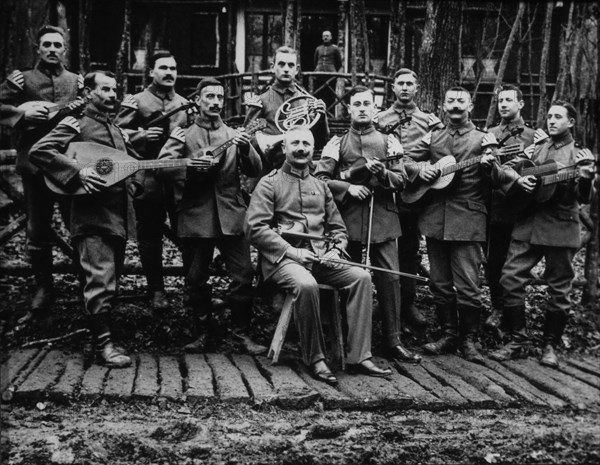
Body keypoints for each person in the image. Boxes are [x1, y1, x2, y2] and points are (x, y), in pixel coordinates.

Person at [245, 125, 392, 385]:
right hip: (283, 261)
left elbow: (338, 228)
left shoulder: (320, 186)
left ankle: (360, 355)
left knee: (361, 277)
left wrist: (336, 249)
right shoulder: (269, 183)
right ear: (284, 148)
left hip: (320, 258)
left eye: (306, 144)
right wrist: (292, 251)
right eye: (295, 144)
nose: (301, 148)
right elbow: (254, 228)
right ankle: (315, 358)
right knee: (305, 283)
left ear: (313, 150)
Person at [29, 71, 140, 368]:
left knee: (110, 280)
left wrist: (135, 183)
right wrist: (77, 172)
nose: (112, 95)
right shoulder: (75, 123)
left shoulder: (114, 127)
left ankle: (100, 339)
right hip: (90, 217)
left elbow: (124, 166)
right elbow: (40, 150)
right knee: (99, 281)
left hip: (117, 217)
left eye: (115, 90)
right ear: (88, 92)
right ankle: (104, 345)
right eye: (105, 89)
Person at [315, 86, 421, 364]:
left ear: (375, 108)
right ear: (348, 109)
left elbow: (402, 180)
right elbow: (321, 180)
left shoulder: (390, 141)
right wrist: (347, 188)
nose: (362, 108)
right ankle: (342, 338)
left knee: (390, 279)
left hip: (384, 221)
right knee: (347, 279)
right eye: (357, 104)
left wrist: (384, 172)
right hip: (346, 223)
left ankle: (393, 340)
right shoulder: (336, 143)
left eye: (367, 104)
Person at [158, 78, 265, 355]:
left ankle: (241, 333)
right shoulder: (183, 134)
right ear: (198, 100)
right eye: (209, 97)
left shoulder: (234, 133)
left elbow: (255, 169)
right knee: (196, 279)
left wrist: (244, 147)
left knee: (243, 275)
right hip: (195, 215)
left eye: (220, 97)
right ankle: (203, 333)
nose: (216, 102)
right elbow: (161, 169)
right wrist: (191, 167)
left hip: (231, 214)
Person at [489, 101, 594, 367]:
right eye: (549, 116)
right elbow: (509, 167)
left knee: (560, 288)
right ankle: (518, 340)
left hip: (561, 225)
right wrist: (518, 179)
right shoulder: (538, 146)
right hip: (529, 223)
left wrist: (586, 178)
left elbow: (584, 197)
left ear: (571, 122)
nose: (552, 121)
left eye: (558, 117)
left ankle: (550, 346)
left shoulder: (579, 154)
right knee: (510, 277)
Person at [408, 86, 497, 364]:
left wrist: (489, 165)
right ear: (443, 106)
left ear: (470, 105)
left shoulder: (483, 138)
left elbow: (498, 178)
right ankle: (447, 334)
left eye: (461, 101)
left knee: (468, 284)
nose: (456, 105)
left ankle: (469, 340)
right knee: (439, 283)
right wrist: (422, 169)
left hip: (468, 219)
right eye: (450, 101)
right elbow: (406, 160)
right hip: (435, 218)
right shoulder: (433, 136)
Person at [0, 25, 83, 322]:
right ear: (38, 48)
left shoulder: (76, 81)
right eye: (46, 44)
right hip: (34, 167)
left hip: (68, 165)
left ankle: (86, 289)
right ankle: (44, 289)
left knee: (78, 227)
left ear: (64, 50)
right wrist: (22, 114)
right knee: (37, 228)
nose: (51, 49)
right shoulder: (22, 79)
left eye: (57, 45)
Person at [115, 51, 192, 311]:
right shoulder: (136, 101)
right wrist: (141, 136)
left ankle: (192, 289)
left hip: (178, 178)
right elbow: (116, 135)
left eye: (173, 68)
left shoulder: (184, 103)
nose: (169, 73)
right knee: (150, 236)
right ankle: (156, 291)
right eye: (163, 68)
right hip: (147, 177)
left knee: (187, 233)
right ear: (151, 72)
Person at [374, 68, 443, 330]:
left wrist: (421, 167)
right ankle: (386, 301)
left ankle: (407, 303)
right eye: (400, 83)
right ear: (393, 87)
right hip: (386, 193)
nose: (404, 88)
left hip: (415, 196)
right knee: (384, 249)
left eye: (409, 84)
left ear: (417, 88)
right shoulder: (380, 119)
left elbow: (439, 154)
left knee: (410, 249)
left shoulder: (429, 121)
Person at [484, 84, 535, 331]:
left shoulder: (535, 136)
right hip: (497, 211)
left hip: (525, 212)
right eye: (500, 100)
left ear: (521, 104)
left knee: (517, 267)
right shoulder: (490, 134)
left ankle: (516, 314)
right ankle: (498, 306)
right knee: (494, 262)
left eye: (509, 100)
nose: (503, 104)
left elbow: (543, 170)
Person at [244, 46, 329, 174]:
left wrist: (321, 118)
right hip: (272, 171)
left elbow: (321, 140)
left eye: (290, 65)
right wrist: (268, 148)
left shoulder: (307, 101)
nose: (286, 69)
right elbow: (248, 137)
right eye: (281, 64)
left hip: (303, 171)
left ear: (297, 69)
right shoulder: (262, 101)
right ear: (273, 67)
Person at [313, 30, 343, 108]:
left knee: (331, 94)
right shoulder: (318, 48)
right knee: (318, 93)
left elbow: (339, 63)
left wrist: (332, 70)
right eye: (324, 36)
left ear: (331, 37)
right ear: (322, 38)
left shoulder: (335, 49)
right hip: (319, 75)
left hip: (331, 75)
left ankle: (330, 114)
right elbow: (315, 61)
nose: (325, 37)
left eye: (327, 36)